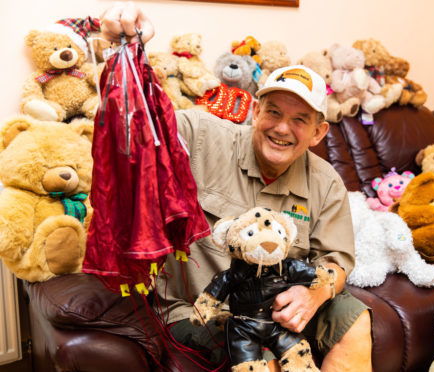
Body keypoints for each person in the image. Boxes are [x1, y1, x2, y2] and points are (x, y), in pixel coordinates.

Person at [100, 3, 373, 371]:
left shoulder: (325, 182)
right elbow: (136, 126)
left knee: (354, 322)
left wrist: (314, 294)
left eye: (299, 120)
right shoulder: (201, 135)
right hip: (206, 309)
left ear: (318, 133)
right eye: (273, 111)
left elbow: (336, 261)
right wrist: (124, 51)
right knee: (262, 363)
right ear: (256, 111)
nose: (281, 128)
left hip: (279, 307)